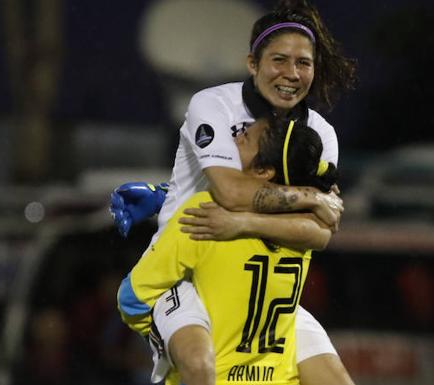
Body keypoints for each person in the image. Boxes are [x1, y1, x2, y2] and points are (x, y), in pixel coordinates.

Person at [112, 0, 357, 384]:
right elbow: (227, 191)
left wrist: (241, 222)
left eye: (304, 62)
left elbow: (321, 233)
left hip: (260, 281)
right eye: (279, 60)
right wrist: (311, 198)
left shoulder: (320, 134)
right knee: (199, 366)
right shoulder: (214, 105)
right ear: (252, 64)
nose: (291, 73)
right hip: (190, 274)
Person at [119, 117, 339, 385]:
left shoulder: (206, 212)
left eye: (245, 138)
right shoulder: (306, 223)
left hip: (212, 378)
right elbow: (321, 231)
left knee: (196, 361)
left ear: (263, 171)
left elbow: (133, 299)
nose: (235, 139)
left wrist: (169, 343)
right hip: (279, 378)